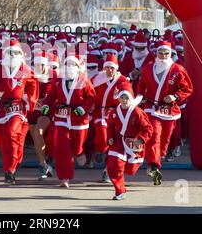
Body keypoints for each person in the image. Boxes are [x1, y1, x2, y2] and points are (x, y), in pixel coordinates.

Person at [137, 41, 193, 185]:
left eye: (166, 53)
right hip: (151, 107)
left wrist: (175, 96)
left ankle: (157, 158)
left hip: (169, 109)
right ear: (156, 53)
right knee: (154, 135)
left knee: (165, 139)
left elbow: (188, 89)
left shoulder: (178, 70)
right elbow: (141, 86)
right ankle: (153, 166)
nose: (163, 56)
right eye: (160, 53)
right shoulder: (148, 68)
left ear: (171, 54)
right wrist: (137, 100)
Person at [0, 40, 39, 185]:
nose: (13, 55)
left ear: (21, 54)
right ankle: (13, 163)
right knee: (5, 141)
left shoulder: (26, 70)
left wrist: (29, 99)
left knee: (11, 134)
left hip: (17, 107)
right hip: (0, 106)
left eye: (16, 53)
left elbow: (33, 84)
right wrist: (4, 85)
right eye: (10, 52)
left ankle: (10, 170)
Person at [41, 54, 96, 188]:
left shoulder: (84, 80)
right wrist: (46, 105)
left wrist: (83, 109)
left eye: (73, 64)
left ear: (78, 67)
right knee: (62, 148)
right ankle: (64, 178)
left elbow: (91, 97)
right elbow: (51, 96)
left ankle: (79, 152)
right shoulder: (58, 80)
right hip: (61, 117)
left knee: (76, 146)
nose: (70, 67)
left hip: (78, 118)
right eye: (67, 64)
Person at [107, 82, 153, 200]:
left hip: (134, 143)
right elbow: (110, 126)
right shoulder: (114, 112)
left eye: (127, 97)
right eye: (122, 97)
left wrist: (141, 140)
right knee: (114, 166)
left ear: (131, 98)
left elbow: (148, 128)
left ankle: (131, 165)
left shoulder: (137, 112)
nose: (124, 100)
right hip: (118, 142)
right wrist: (110, 137)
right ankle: (120, 191)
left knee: (130, 170)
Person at [91, 53, 129, 183]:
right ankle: (99, 150)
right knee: (102, 135)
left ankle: (107, 170)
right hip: (100, 112)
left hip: (116, 114)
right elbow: (89, 93)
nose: (109, 70)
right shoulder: (97, 78)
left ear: (116, 68)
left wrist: (119, 97)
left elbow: (128, 98)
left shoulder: (123, 81)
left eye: (112, 68)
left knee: (114, 141)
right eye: (107, 67)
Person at [29, 50, 57, 180]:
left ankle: (46, 163)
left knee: (39, 133)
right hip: (32, 112)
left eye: (43, 64)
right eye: (37, 64)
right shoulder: (29, 76)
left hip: (48, 113)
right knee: (37, 140)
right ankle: (44, 164)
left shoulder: (55, 77)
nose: (40, 67)